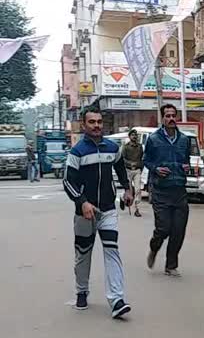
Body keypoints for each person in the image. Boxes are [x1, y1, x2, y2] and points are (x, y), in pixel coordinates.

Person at [63, 105, 133, 319]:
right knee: (83, 254)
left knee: (112, 250)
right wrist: (82, 202)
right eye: (92, 122)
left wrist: (128, 189)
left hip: (108, 209)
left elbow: (121, 169)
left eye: (99, 122)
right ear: (84, 125)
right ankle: (81, 291)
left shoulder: (112, 148)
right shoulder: (77, 152)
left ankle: (117, 300)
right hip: (84, 212)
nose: (96, 126)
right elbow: (68, 181)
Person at [144, 104, 191, 277]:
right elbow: (146, 160)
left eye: (173, 116)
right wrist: (156, 169)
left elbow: (186, 161)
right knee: (163, 228)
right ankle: (154, 247)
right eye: (167, 116)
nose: (171, 119)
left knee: (178, 230)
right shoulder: (153, 139)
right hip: (161, 191)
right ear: (162, 118)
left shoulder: (185, 140)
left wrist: (187, 167)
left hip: (179, 190)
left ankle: (171, 265)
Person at [121, 129, 144, 217]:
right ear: (129, 136)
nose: (134, 136)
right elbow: (122, 159)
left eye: (135, 135)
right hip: (128, 170)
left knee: (138, 189)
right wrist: (130, 163)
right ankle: (124, 199)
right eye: (132, 135)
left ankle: (137, 209)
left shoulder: (140, 147)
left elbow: (142, 158)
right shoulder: (126, 147)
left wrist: (140, 166)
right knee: (129, 190)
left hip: (137, 170)